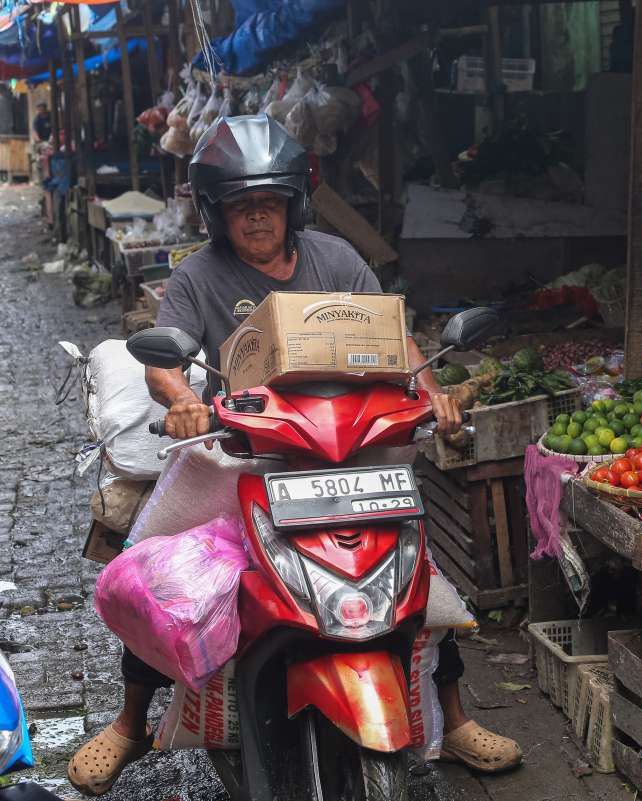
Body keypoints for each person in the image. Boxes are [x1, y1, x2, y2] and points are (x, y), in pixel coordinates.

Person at [67, 115, 522, 797]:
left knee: (409, 567)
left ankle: (451, 717)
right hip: (247, 455)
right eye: (243, 206)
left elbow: (396, 339)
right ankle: (132, 720)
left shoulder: (336, 259)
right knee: (166, 569)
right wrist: (182, 399)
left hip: (347, 452)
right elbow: (168, 358)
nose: (258, 218)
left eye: (270, 203)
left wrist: (435, 394)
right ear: (219, 213)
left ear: (293, 203)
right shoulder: (198, 276)